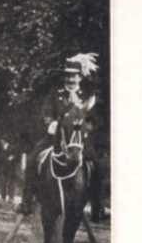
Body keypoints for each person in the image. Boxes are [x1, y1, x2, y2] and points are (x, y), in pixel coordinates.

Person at [18, 53, 100, 216]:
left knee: (95, 163)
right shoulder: (55, 94)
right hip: (55, 138)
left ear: (80, 77)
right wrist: (51, 123)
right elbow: (47, 112)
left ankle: (97, 205)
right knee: (33, 158)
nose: (70, 80)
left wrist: (86, 128)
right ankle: (26, 201)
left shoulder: (86, 97)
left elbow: (93, 119)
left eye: (74, 76)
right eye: (67, 76)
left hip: (78, 139)